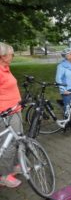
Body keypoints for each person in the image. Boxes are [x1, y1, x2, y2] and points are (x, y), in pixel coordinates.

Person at [0, 42, 23, 188]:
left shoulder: (6, 68)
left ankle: (14, 166)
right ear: (2, 56)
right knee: (6, 144)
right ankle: (3, 175)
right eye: (11, 54)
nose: (13, 56)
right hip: (5, 113)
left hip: (15, 110)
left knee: (16, 141)